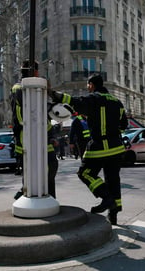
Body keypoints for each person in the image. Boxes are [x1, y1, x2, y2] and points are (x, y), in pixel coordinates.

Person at [49, 73, 128, 225]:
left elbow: (74, 101)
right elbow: (124, 125)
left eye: (88, 85)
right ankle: (114, 213)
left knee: (84, 173)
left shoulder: (93, 99)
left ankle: (106, 198)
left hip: (99, 147)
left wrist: (54, 94)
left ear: (91, 85)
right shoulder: (118, 102)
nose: (87, 88)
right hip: (117, 148)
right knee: (113, 180)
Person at [10, 60, 59, 200]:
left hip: (37, 136)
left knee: (42, 167)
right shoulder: (21, 88)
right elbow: (31, 114)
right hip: (29, 136)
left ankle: (39, 196)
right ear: (35, 72)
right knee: (39, 167)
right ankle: (31, 195)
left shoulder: (21, 88)